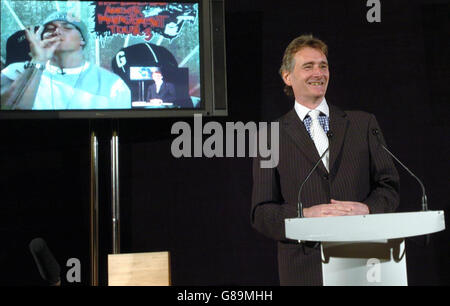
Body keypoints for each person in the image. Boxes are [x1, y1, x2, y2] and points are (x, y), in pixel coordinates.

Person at [251, 34, 400, 285]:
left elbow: (389, 186)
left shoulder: (363, 124)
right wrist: (305, 215)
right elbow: (262, 212)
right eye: (308, 66)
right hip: (304, 269)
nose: (318, 73)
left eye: (323, 65)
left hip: (363, 262)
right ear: (287, 77)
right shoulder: (269, 136)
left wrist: (367, 209)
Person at [0, 11, 131, 110]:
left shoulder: (113, 84)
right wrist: (38, 60)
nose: (56, 31)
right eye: (49, 29)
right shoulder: (15, 71)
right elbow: (9, 112)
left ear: (82, 40)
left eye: (67, 28)